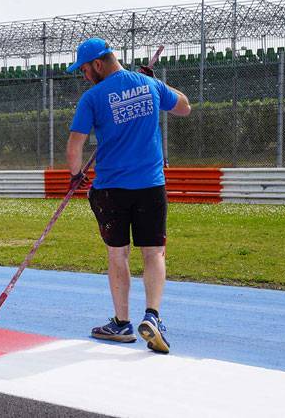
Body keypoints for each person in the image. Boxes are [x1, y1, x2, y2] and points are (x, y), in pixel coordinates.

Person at [65, 38, 191, 354]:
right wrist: (154, 84)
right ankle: (153, 316)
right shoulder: (149, 84)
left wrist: (75, 175)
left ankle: (122, 323)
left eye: (84, 69)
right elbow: (184, 107)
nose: (83, 76)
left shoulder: (92, 98)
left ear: (97, 64)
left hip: (111, 188)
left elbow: (75, 144)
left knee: (117, 254)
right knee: (154, 253)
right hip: (150, 185)